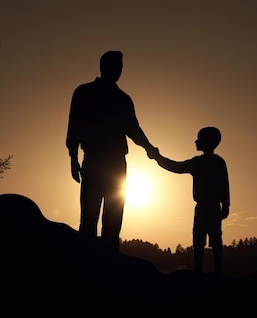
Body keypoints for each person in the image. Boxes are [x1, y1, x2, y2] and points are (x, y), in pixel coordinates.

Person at [66, 50, 158, 252]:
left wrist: (150, 149)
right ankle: (87, 264)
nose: (118, 71)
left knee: (113, 221)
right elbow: (74, 127)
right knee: (89, 219)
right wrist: (73, 158)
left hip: (116, 164)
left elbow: (133, 129)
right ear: (104, 67)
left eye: (120, 68)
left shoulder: (122, 99)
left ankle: (110, 266)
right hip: (94, 161)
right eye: (115, 67)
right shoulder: (84, 92)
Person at [151, 127, 230, 275]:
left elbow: (224, 185)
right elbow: (175, 166)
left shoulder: (206, 163)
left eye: (199, 139)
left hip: (210, 208)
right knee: (201, 239)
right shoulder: (210, 162)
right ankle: (202, 270)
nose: (195, 141)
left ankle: (215, 270)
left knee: (212, 239)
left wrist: (226, 205)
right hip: (206, 207)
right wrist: (158, 158)